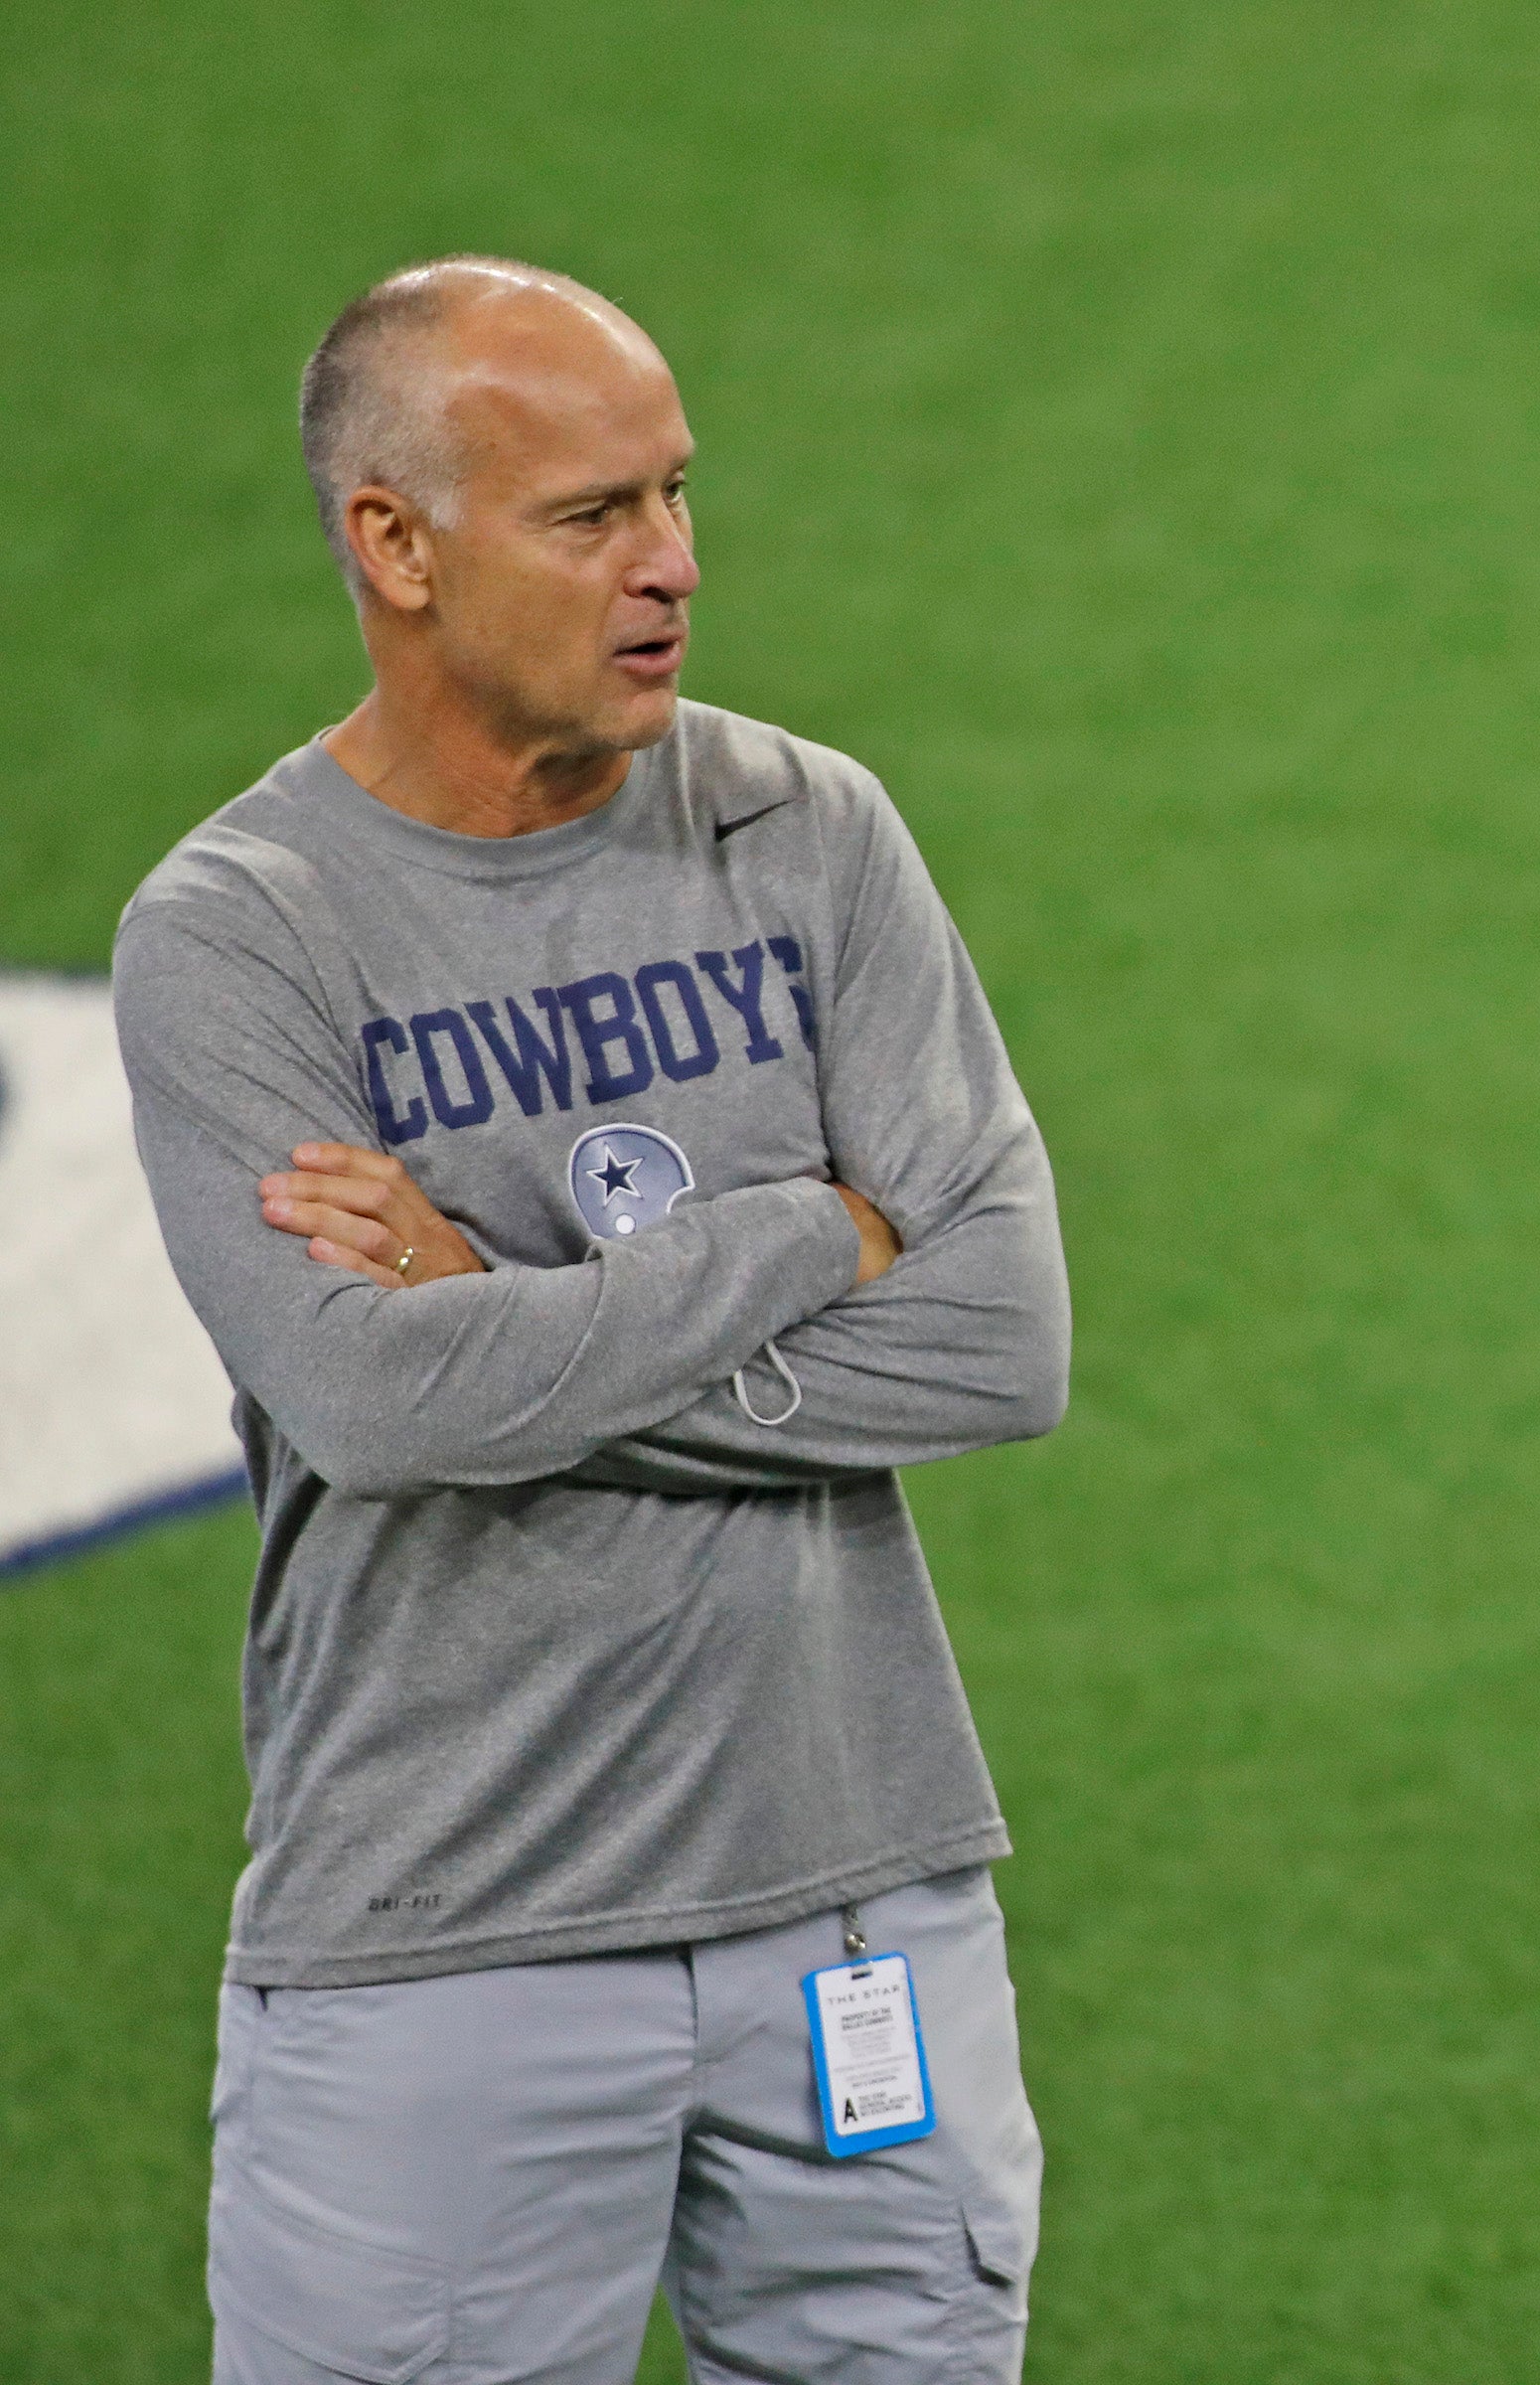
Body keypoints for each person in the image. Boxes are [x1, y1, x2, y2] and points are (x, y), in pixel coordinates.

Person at [115, 256, 1069, 2383]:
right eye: (593, 517)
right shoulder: (244, 937)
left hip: (861, 1901)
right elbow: (375, 1403)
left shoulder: (805, 831)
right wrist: (815, 1227)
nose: (674, 568)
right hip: (449, 1944)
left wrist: (513, 1313)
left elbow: (1004, 1341)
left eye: (676, 497)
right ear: (396, 543)